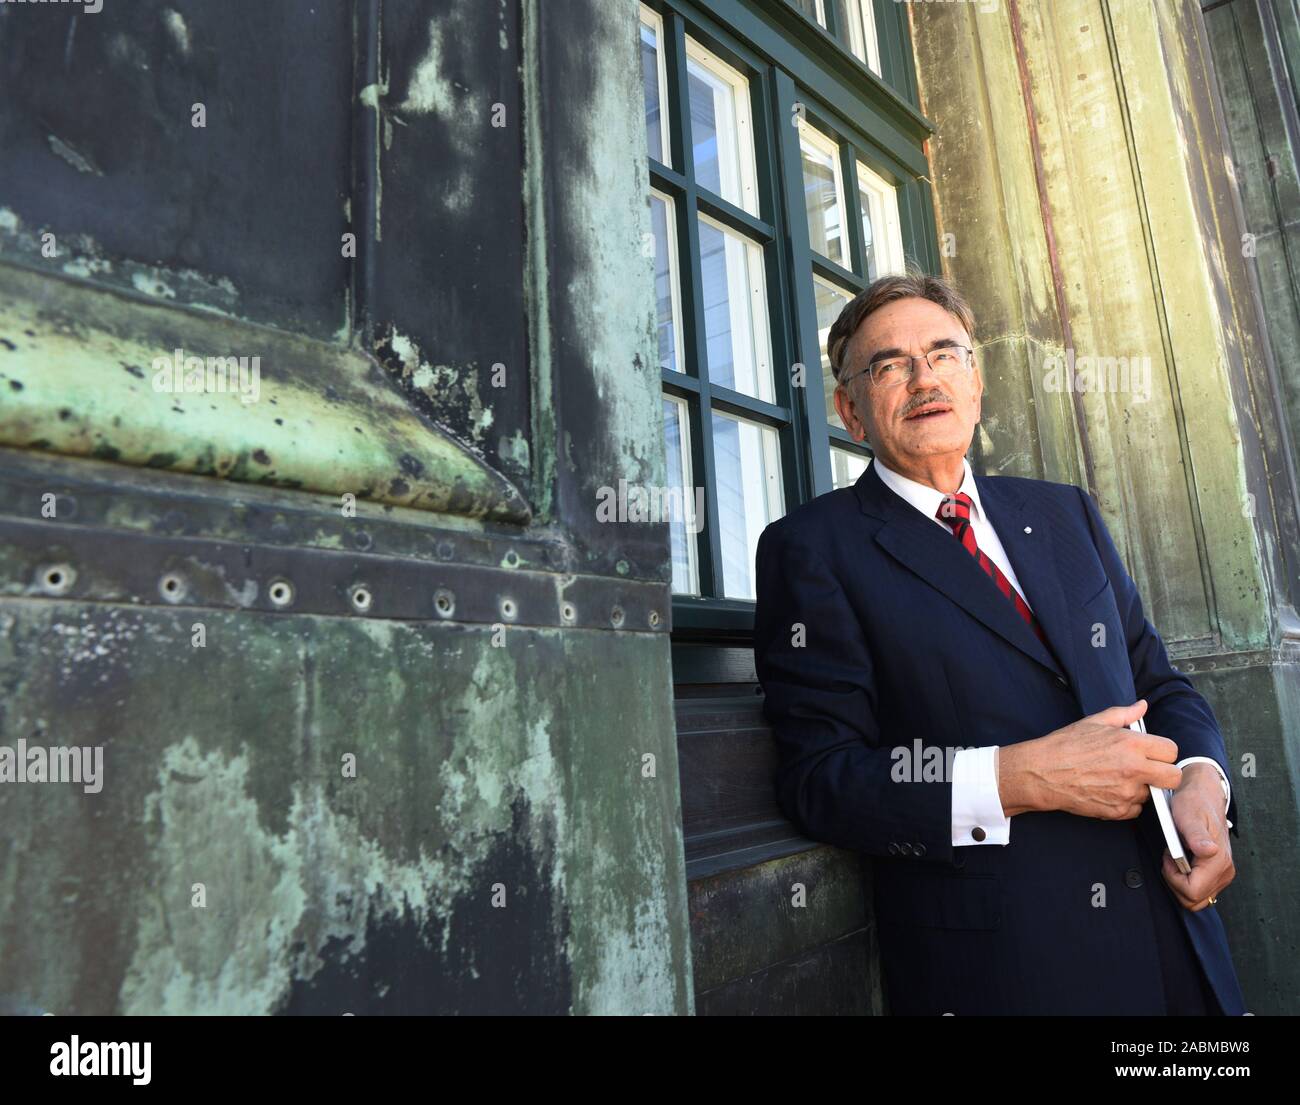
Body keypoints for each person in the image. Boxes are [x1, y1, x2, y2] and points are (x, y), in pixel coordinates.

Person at [753, 272, 1243, 1015]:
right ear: (850, 411)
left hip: (1178, 933)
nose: (924, 378)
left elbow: (1156, 679)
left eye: (945, 353)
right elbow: (823, 779)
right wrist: (1017, 777)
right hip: (1014, 970)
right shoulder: (812, 549)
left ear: (976, 382)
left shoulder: (1064, 512)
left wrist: (1205, 780)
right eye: (889, 365)